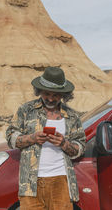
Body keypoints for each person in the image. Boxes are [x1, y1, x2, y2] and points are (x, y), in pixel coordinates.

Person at [6, 66, 86, 210]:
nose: (50, 98)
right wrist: (33, 138)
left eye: (55, 95)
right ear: (39, 91)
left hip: (61, 181)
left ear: (63, 95)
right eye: (46, 93)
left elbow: (80, 147)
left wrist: (64, 143)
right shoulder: (26, 110)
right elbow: (11, 137)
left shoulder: (72, 116)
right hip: (30, 183)